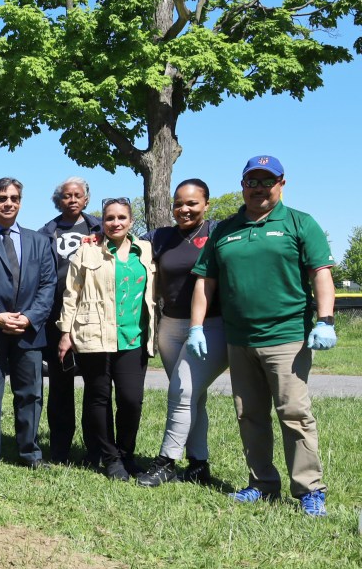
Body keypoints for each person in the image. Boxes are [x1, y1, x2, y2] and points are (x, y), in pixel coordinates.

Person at [189, 155, 336, 517]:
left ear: (281, 183)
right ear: (242, 186)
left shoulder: (300, 223)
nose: (258, 188)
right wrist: (196, 327)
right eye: (251, 181)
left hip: (287, 336)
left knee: (294, 413)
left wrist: (326, 320)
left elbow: (320, 273)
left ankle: (308, 489)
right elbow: (205, 281)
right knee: (249, 414)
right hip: (240, 340)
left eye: (266, 181)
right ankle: (262, 483)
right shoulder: (225, 229)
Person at [136, 179, 228, 487]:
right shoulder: (160, 237)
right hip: (170, 327)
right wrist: (93, 237)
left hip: (210, 327)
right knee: (194, 396)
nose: (184, 209)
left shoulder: (217, 232)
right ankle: (199, 464)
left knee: (182, 390)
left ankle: (166, 462)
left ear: (206, 204)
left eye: (192, 203)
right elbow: (124, 241)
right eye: (178, 203)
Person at [57, 197, 155, 480]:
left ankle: (127, 454)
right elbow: (71, 292)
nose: (116, 223)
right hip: (93, 335)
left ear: (131, 221)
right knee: (98, 398)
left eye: (122, 218)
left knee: (131, 399)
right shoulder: (87, 250)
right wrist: (66, 332)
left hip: (132, 336)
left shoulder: (145, 249)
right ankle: (110, 459)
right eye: (110, 218)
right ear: (103, 222)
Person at [0, 178, 55, 474]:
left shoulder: (39, 241)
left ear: (21, 202)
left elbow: (48, 284)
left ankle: (29, 450)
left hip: (29, 330)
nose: (8, 203)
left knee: (30, 393)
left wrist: (29, 317)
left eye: (14, 198)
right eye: (2, 198)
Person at [38, 177, 102, 462]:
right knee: (61, 385)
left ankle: (95, 448)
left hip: (93, 315)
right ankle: (60, 448)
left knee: (94, 383)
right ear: (58, 200)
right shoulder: (46, 232)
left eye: (78, 195)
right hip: (56, 316)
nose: (72, 199)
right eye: (66, 196)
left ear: (86, 199)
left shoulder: (99, 228)